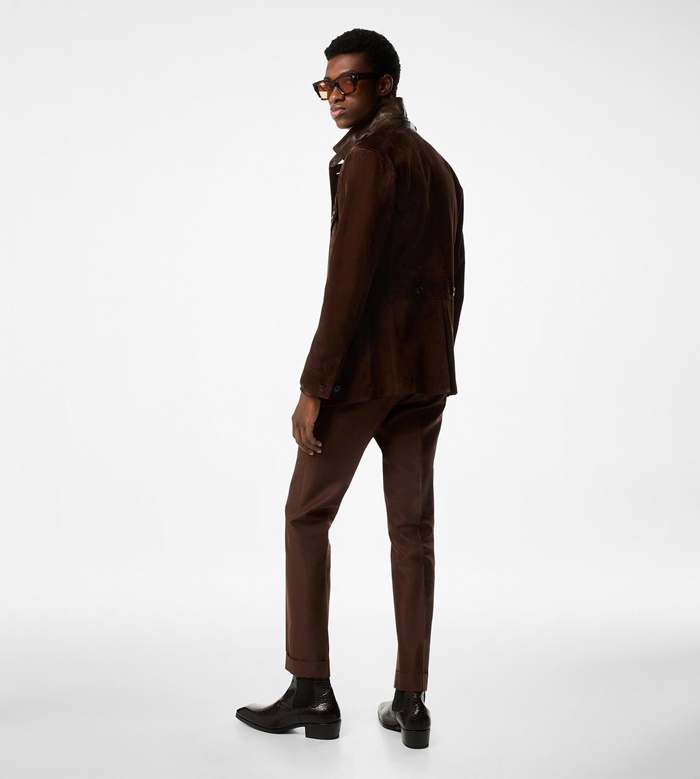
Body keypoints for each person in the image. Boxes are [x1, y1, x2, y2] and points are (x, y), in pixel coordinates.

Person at [236, 28, 465, 750]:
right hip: (424, 377)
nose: (334, 96)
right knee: (413, 532)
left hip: (364, 375)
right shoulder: (439, 166)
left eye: (349, 82)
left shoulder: (368, 157)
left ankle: (311, 688)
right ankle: (411, 701)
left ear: (385, 83)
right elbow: (456, 281)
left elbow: (348, 282)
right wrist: (433, 361)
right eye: (326, 85)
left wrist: (315, 386)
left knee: (305, 514)